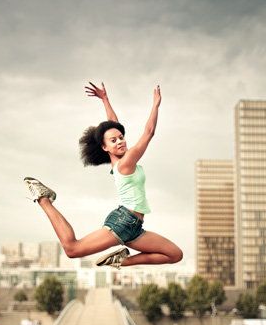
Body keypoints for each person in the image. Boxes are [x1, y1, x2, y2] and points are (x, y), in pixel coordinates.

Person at [24, 82, 182, 269]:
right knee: (72, 249)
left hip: (135, 228)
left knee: (175, 255)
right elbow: (149, 133)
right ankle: (43, 198)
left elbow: (114, 125)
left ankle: (122, 260)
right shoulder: (125, 164)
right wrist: (155, 106)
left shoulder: (121, 160)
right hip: (123, 222)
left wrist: (105, 100)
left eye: (121, 138)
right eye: (113, 141)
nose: (120, 142)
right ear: (105, 148)